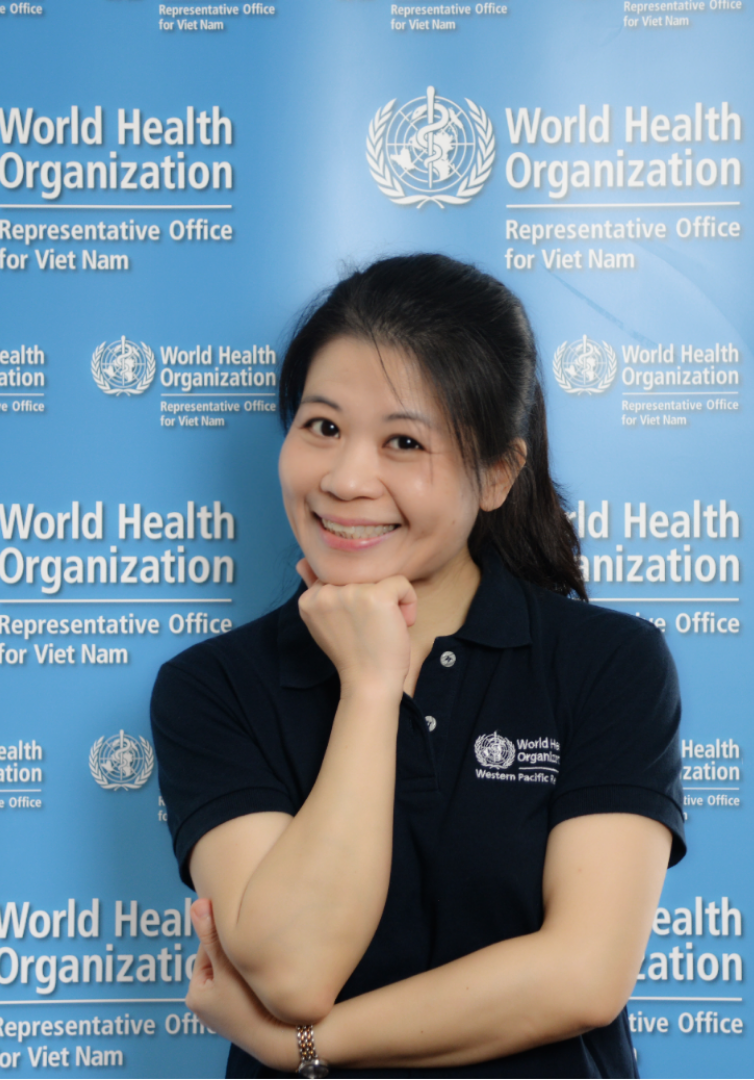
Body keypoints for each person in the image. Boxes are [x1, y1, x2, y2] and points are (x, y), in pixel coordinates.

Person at [151, 254, 685, 1079]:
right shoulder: (213, 687)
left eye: (404, 441)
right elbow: (295, 970)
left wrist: (302, 1049)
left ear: (497, 474)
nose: (345, 479)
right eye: (322, 427)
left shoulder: (607, 663)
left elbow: (582, 975)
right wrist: (370, 688)